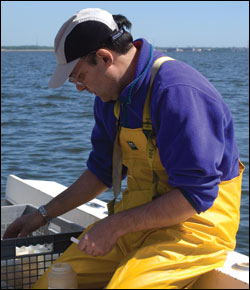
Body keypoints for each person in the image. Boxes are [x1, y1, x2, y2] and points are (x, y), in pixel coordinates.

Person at [3, 8, 244, 289]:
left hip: (194, 229)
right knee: (51, 282)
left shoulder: (177, 91)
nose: (80, 88)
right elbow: (100, 173)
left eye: (80, 76)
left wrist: (115, 226)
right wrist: (43, 214)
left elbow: (195, 195)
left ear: (105, 58)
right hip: (137, 222)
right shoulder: (110, 99)